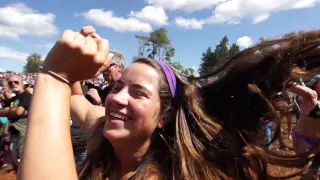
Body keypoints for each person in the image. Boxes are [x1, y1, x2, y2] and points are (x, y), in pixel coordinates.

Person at [18, 26, 320, 180]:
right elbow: (73, 99)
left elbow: (62, 90)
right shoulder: (101, 131)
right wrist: (77, 63)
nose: (117, 99)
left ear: (164, 116)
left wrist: (54, 74)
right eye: (119, 87)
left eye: (138, 93)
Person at [0, 75, 31, 169]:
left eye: (16, 82)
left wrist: (8, 111)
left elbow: (18, 112)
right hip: (13, 135)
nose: (13, 84)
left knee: (24, 165)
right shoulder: (13, 99)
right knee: (18, 166)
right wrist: (9, 110)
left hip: (23, 136)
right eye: (10, 83)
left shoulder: (26, 95)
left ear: (21, 83)